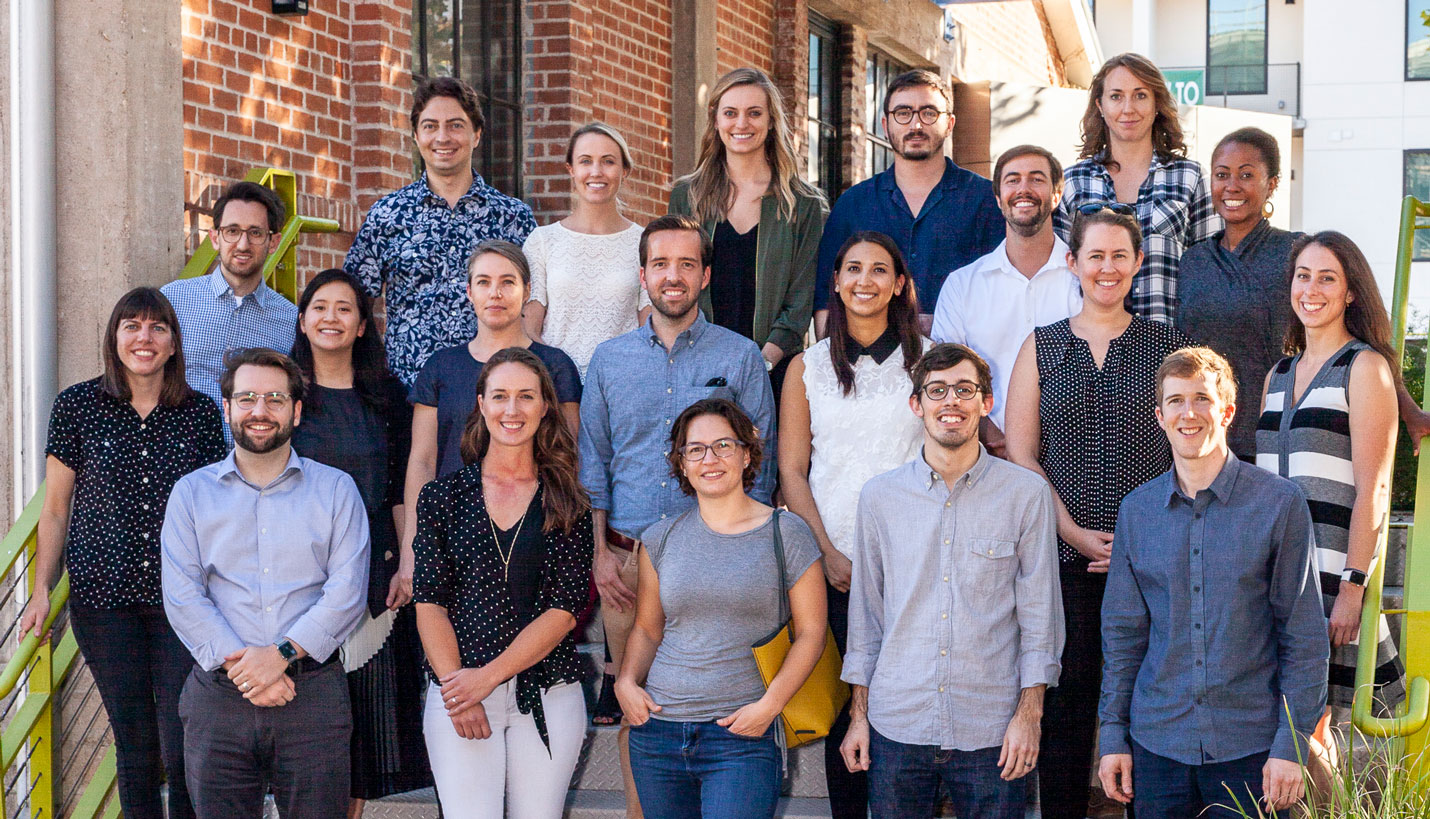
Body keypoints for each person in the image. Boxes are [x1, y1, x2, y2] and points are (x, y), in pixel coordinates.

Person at [579, 214, 777, 818]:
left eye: (687, 264)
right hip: (629, 563)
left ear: (706, 275)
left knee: (721, 708)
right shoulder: (608, 361)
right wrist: (598, 552)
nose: (674, 275)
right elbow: (595, 460)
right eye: (661, 264)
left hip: (719, 563)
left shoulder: (740, 357)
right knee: (638, 706)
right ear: (643, 275)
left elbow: (760, 466)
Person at [1003, 206, 1191, 818]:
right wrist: (1074, 533)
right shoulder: (1043, 346)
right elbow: (1021, 454)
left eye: (1119, 256)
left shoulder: (1169, 348)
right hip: (1063, 560)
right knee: (1067, 708)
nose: (1106, 268)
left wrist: (1138, 543)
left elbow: (1188, 450)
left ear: (1138, 263)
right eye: (1095, 256)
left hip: (1153, 563)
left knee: (1149, 707)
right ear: (1072, 263)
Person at [22, 288, 225, 819]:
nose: (144, 338)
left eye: (158, 328)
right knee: (134, 742)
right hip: (102, 601)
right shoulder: (77, 406)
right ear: (115, 338)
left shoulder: (200, 414)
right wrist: (41, 589)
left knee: (183, 740)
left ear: (175, 343)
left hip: (181, 602)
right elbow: (56, 509)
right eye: (131, 326)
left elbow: (216, 511)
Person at [1100, 347, 1329, 817]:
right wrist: (1111, 736)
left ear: (1226, 411)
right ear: (1160, 416)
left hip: (1251, 748)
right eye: (1177, 401)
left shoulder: (1280, 505)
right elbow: (1123, 636)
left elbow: (1303, 639)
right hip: (1156, 745)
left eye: (1202, 399)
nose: (1189, 413)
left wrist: (1292, 745)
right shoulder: (1137, 512)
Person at [841, 343, 1063, 819]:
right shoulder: (879, 498)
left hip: (992, 730)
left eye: (965, 390)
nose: (951, 402)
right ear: (916, 404)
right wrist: (858, 717)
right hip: (897, 724)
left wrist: (1030, 717)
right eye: (937, 390)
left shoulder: (1026, 495)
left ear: (986, 403)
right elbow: (865, 618)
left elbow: (1040, 617)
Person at [161, 348, 370, 819]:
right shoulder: (191, 494)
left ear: (296, 410)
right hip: (218, 700)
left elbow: (348, 593)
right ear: (227, 406)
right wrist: (249, 670)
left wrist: (278, 657)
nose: (260, 411)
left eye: (275, 399)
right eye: (247, 398)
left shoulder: (337, 490)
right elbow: (182, 596)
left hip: (311, 698)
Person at [615, 398, 826, 819]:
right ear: (682, 463)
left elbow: (812, 633)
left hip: (741, 736)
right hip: (658, 732)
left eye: (723, 446)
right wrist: (625, 681)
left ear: (747, 454)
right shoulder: (660, 538)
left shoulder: (787, 532)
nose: (709, 459)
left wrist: (769, 708)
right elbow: (647, 629)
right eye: (695, 449)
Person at [777, 230, 926, 818]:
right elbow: (792, 467)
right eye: (853, 270)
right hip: (831, 560)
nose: (865, 280)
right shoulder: (806, 367)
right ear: (836, 282)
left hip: (914, 557)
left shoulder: (929, 359)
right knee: (846, 710)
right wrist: (825, 552)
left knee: (907, 704)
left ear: (899, 284)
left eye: (879, 270)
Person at [412, 347, 594, 818]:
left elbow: (565, 609)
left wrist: (486, 679)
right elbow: (429, 601)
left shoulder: (568, 501)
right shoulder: (442, 497)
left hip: (548, 692)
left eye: (526, 397)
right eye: (500, 396)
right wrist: (461, 692)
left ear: (545, 406)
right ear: (481, 403)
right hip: (458, 689)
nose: (512, 410)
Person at [1180, 129, 1430, 460]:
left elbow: (1358, 331)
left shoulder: (1297, 254)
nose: (1232, 185)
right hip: (1201, 440)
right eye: (1222, 175)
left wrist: (1408, 408)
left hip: (1276, 439)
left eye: (1247, 174)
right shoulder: (1193, 261)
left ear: (1272, 184)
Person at [1255, 232, 1408, 746]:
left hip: (1330, 580)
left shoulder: (1364, 367)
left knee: (1317, 732)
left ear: (1350, 293)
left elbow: (1376, 488)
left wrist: (1352, 587)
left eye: (1328, 278)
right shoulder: (1277, 375)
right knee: (1279, 730)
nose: (1312, 289)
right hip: (1274, 580)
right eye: (1304, 276)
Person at [289, 270, 432, 815]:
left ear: (362, 325)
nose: (331, 318)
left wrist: (409, 561)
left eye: (344, 309)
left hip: (375, 580)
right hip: (297, 581)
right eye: (320, 307)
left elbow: (402, 486)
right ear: (302, 321)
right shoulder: (283, 394)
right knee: (307, 740)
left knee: (360, 742)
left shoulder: (388, 396)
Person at [346, 76, 537, 386]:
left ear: (477, 134)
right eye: (431, 126)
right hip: (406, 389)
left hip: (493, 391)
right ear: (416, 136)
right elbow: (354, 300)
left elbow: (534, 303)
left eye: (456, 125)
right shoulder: (388, 214)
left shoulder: (513, 217)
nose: (443, 137)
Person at [405, 241, 582, 562]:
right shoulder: (441, 366)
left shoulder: (555, 365)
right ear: (470, 292)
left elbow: (571, 458)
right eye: (484, 282)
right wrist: (412, 548)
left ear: (527, 290)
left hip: (536, 535)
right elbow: (422, 460)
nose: (495, 293)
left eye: (508, 282)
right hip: (452, 535)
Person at [669, 67, 828, 399]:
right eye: (730, 113)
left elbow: (801, 300)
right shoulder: (688, 196)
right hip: (698, 368)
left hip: (776, 371)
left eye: (754, 113)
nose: (741, 124)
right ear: (716, 120)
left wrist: (761, 362)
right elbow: (677, 280)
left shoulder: (803, 205)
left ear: (771, 121)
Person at [815, 69, 1002, 335]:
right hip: (869, 364)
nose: (916, 125)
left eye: (929, 113)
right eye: (903, 113)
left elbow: (1004, 288)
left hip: (960, 362)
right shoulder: (853, 205)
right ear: (885, 125)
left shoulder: (985, 200)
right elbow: (826, 298)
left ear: (949, 124)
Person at [932, 144, 1080, 453]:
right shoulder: (962, 286)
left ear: (1056, 197)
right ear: (999, 200)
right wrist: (987, 431)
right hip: (985, 452)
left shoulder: (1083, 280)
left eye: (1036, 179)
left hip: (1072, 452)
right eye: (1013, 180)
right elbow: (945, 374)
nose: (1023, 188)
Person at [1053, 52, 1220, 325]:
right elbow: (1062, 277)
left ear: (1157, 104)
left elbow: (1208, 275)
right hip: (1092, 347)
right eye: (1116, 96)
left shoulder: (1190, 177)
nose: (1128, 108)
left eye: (1140, 95)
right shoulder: (1073, 183)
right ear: (1100, 105)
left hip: (1169, 349)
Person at [162, 181, 298, 442]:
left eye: (256, 233)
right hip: (178, 459)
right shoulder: (173, 300)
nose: (243, 244)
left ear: (274, 242)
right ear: (215, 237)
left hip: (252, 465)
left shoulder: (290, 321)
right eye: (232, 231)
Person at [522, 122, 650, 380]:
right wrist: (553, 378)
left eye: (608, 162)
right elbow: (528, 329)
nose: (596, 171)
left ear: (625, 170)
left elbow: (649, 327)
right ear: (571, 169)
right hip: (556, 385)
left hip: (622, 381)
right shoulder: (542, 241)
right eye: (585, 161)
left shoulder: (646, 242)